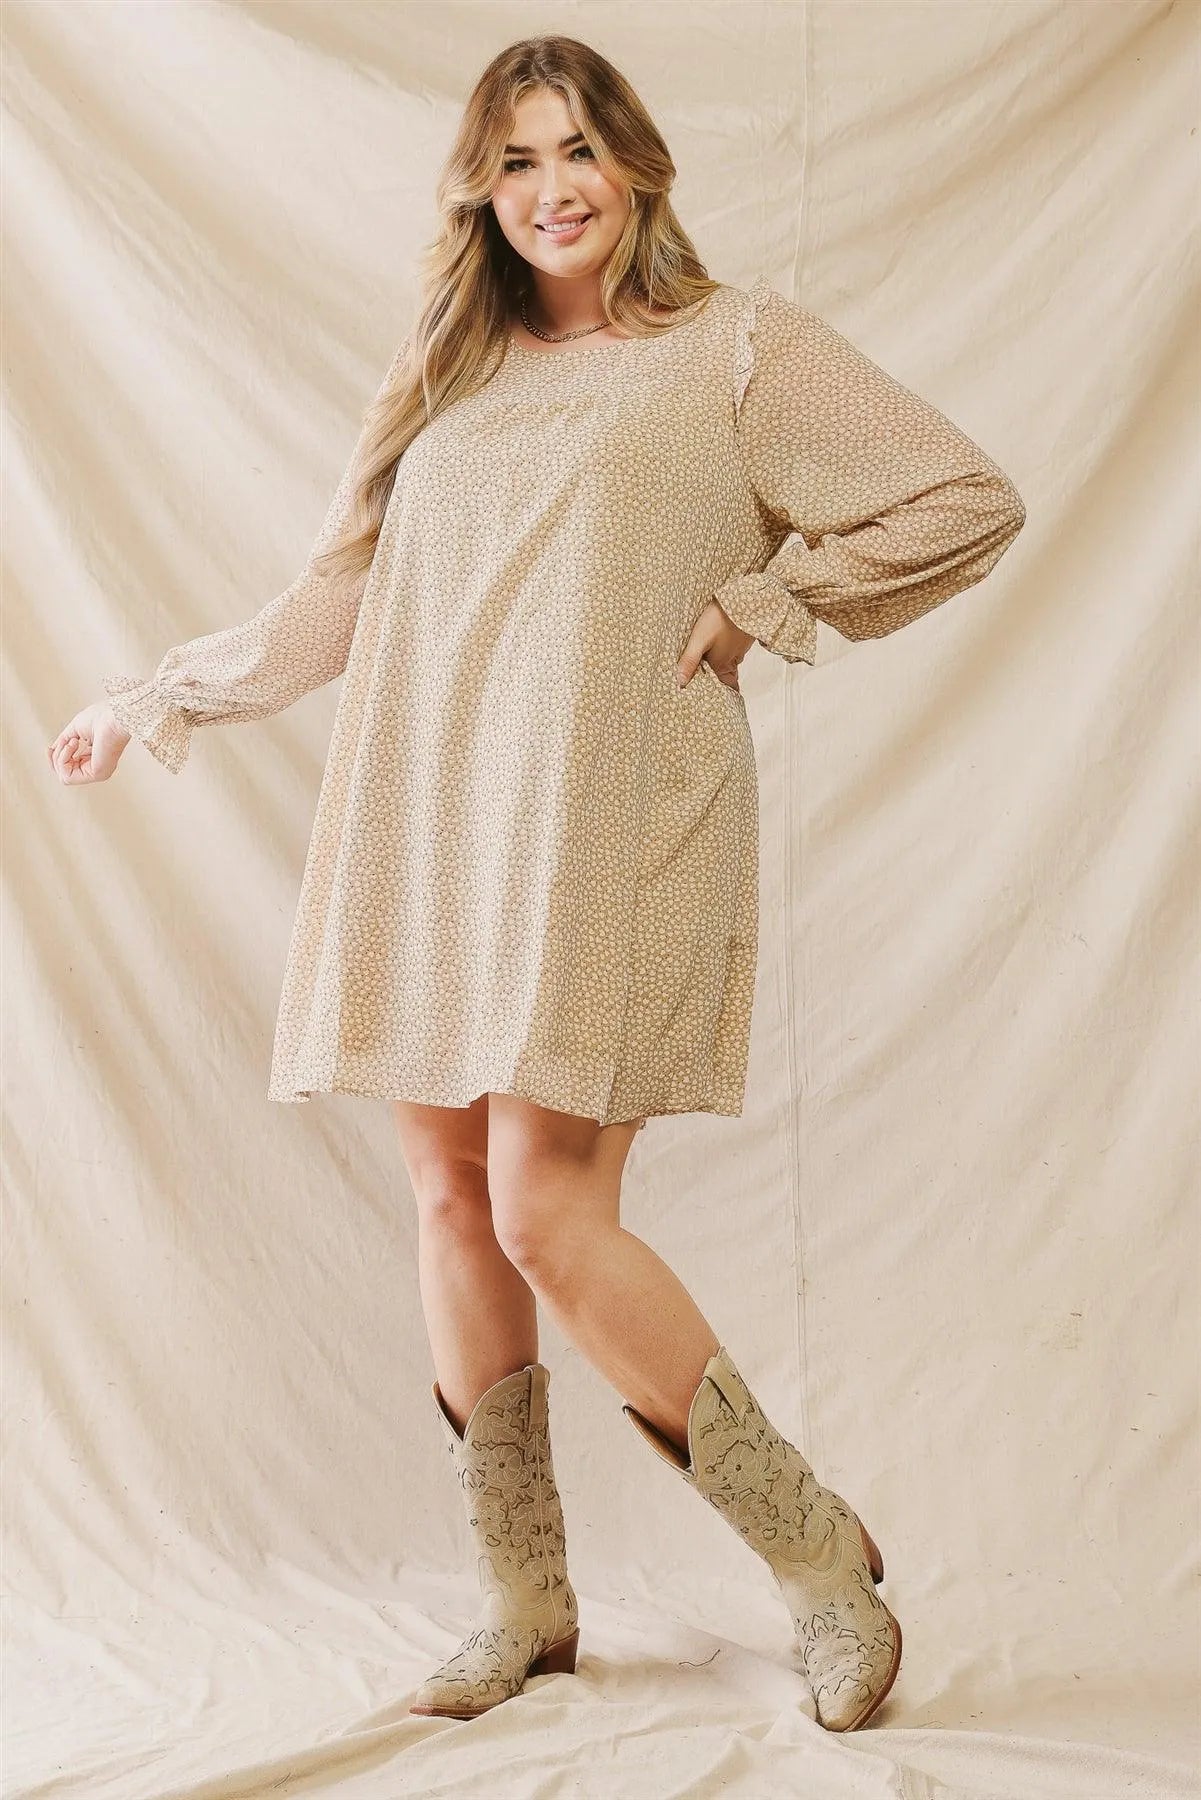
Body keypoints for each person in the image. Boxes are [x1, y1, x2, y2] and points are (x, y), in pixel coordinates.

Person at [47, 35, 1025, 1734]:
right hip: (426, 814)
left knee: (546, 1212)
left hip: (609, 820)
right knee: (446, 1197)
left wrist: (763, 605)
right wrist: (158, 697)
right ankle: (522, 1601)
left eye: (576, 150)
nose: (550, 188)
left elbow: (962, 498)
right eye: (514, 160)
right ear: (478, 190)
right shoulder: (443, 368)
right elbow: (337, 596)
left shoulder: (736, 349)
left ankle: (818, 1564)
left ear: (634, 166)